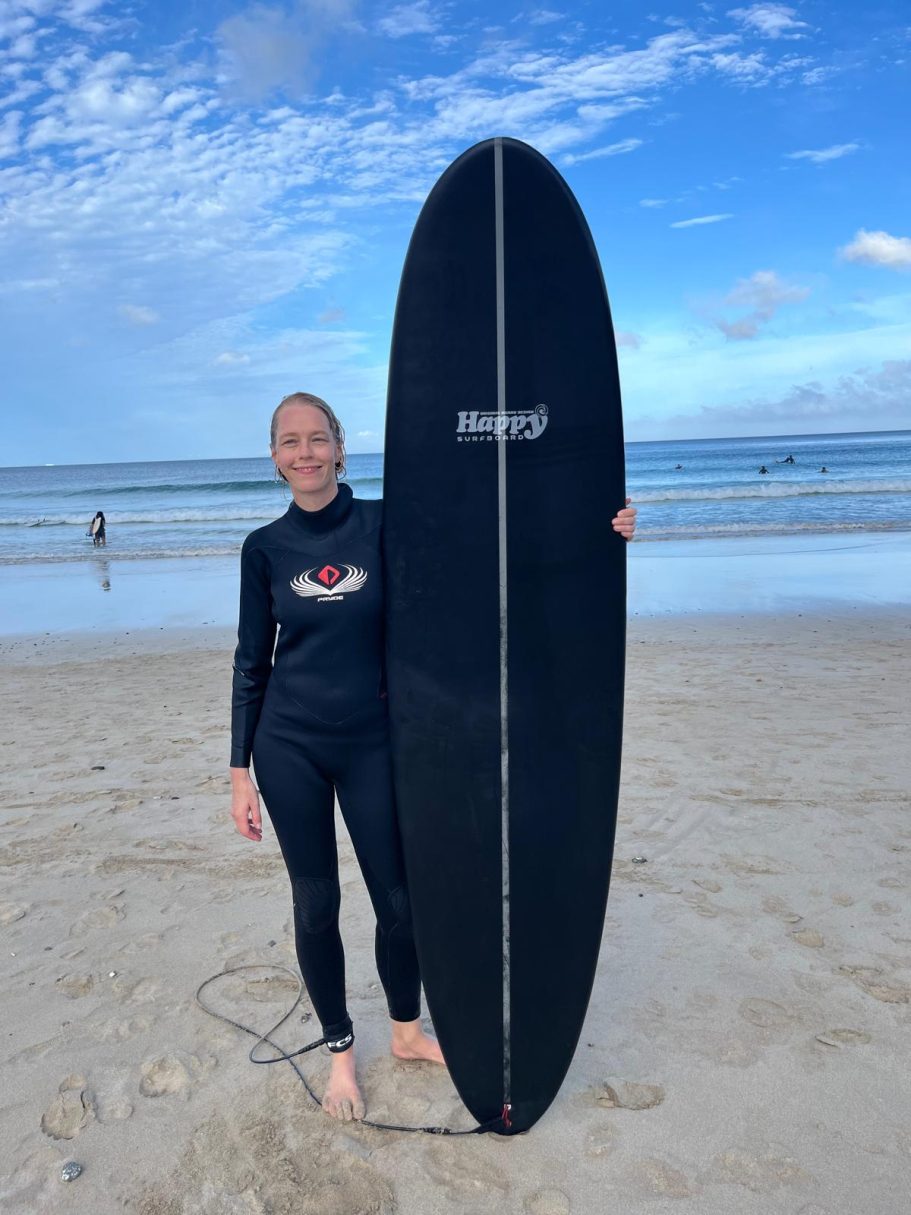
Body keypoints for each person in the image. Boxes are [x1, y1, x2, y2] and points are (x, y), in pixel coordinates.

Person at [229, 392, 637, 1123]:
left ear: (339, 447)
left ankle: (407, 1031)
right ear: (274, 456)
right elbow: (249, 662)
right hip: (286, 743)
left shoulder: (383, 524)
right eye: (289, 441)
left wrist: (596, 527)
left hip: (372, 741)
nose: (305, 453)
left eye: (317, 438)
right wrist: (237, 770)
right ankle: (341, 1054)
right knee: (317, 901)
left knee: (399, 901)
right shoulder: (263, 548)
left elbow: (486, 541)